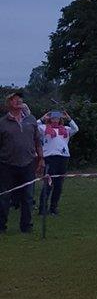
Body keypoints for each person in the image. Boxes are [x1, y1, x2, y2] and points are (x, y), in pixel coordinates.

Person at [0, 91, 44, 234]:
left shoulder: (31, 120)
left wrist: (41, 159)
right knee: (5, 197)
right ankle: (1, 226)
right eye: (14, 99)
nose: (19, 101)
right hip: (7, 165)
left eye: (20, 98)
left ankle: (26, 226)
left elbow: (37, 142)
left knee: (28, 196)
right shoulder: (2, 123)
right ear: (8, 104)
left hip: (28, 164)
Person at [37, 110, 79, 216]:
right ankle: (42, 208)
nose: (55, 120)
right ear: (49, 119)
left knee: (59, 184)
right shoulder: (43, 129)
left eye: (57, 118)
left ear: (61, 119)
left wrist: (69, 119)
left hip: (63, 158)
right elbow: (35, 126)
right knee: (48, 183)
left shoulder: (66, 129)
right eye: (53, 118)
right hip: (49, 157)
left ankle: (53, 207)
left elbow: (76, 129)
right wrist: (43, 118)